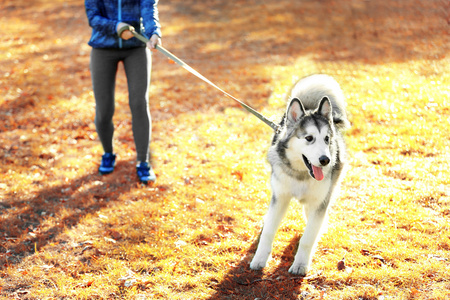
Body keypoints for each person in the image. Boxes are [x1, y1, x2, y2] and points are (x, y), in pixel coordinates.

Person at [85, 0, 161, 183]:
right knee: (104, 109)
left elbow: (148, 9)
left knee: (139, 103)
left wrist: (154, 32)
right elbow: (93, 17)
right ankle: (108, 153)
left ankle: (143, 161)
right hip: (103, 47)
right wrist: (116, 26)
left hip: (136, 48)